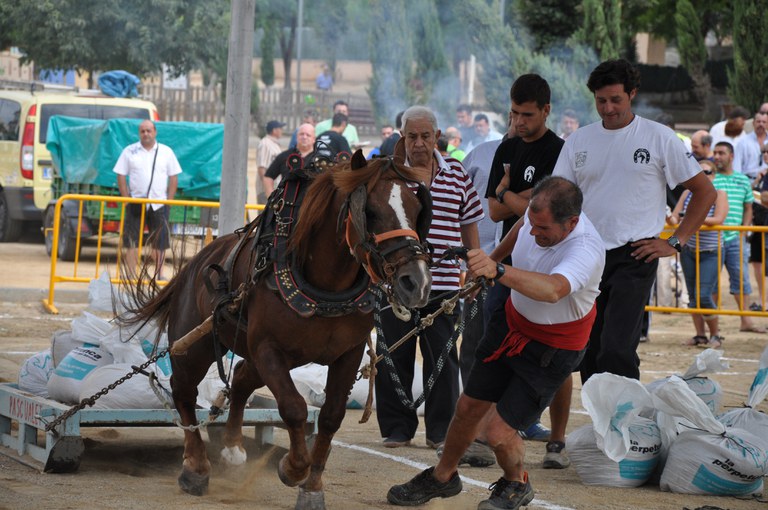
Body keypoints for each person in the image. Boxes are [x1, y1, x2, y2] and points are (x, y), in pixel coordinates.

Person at [386, 176, 605, 510]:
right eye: (533, 223)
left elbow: (553, 290)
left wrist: (497, 270)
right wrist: (488, 263)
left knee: (497, 433)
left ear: (572, 223)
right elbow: (519, 227)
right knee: (467, 408)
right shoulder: (536, 218)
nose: (534, 233)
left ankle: (517, 483)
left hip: (551, 350)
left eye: (543, 229)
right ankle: (443, 477)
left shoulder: (586, 248)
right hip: (510, 327)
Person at [552, 58, 716, 383]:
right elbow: (558, 196)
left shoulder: (659, 137)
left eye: (616, 99)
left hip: (636, 254)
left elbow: (705, 192)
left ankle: (626, 413)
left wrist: (675, 241)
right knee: (590, 347)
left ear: (632, 94)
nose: (608, 108)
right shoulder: (579, 140)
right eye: (601, 100)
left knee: (617, 348)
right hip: (586, 255)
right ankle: (601, 413)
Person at [375, 105, 483, 450]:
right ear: (402, 137)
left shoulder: (457, 173)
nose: (419, 143)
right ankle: (397, 429)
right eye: (412, 136)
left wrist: (474, 267)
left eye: (425, 136)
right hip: (397, 284)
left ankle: (440, 431)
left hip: (445, 283)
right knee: (394, 355)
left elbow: (469, 222)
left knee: (442, 359)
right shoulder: (390, 175)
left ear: (437, 137)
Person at [486, 73, 571, 463]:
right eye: (514, 113)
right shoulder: (506, 147)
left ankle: (557, 439)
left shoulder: (560, 151)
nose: (519, 122)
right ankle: (495, 428)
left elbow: (543, 213)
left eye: (527, 114)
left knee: (556, 352)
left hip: (552, 264)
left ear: (546, 110)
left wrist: (507, 191)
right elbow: (494, 211)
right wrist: (521, 198)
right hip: (508, 263)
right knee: (495, 346)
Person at [670, 159, 728, 347]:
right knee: (694, 297)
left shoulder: (719, 194)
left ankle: (715, 335)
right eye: (700, 172)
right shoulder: (687, 193)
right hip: (688, 250)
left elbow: (719, 219)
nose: (704, 176)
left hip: (711, 251)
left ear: (714, 175)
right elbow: (674, 217)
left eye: (707, 172)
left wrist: (690, 218)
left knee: (703, 295)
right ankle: (700, 335)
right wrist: (669, 217)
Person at [114, 119, 182, 280]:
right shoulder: (130, 151)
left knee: (160, 242)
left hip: (159, 203)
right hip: (136, 202)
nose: (146, 134)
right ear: (139, 133)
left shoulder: (166, 152)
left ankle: (159, 275)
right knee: (132, 241)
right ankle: (131, 276)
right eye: (143, 131)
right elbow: (120, 174)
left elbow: (173, 177)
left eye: (149, 130)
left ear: (155, 132)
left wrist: (169, 202)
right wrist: (126, 199)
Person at [712, 141, 766, 334]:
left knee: (741, 280)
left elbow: (748, 207)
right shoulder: (710, 179)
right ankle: (713, 324)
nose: (717, 156)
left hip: (736, 237)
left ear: (731, 156)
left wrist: (743, 230)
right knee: (711, 281)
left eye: (721, 153)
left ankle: (746, 321)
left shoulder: (742, 180)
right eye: (715, 153)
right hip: (713, 237)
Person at [734, 112, 768, 310]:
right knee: (756, 257)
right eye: (758, 121)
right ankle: (763, 300)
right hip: (751, 196)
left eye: (764, 122)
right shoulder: (743, 143)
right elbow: (737, 171)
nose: (761, 124)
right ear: (753, 123)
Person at [264, 123, 316, 189]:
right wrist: (271, 195)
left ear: (314, 139)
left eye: (308, 135)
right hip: (287, 195)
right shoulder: (285, 156)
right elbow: (268, 177)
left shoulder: (319, 158)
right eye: (301, 134)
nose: (304, 137)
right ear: (297, 137)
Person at [257, 120, 285, 200]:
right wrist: (268, 190)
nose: (282, 131)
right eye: (280, 128)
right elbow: (261, 168)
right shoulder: (265, 144)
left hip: (274, 189)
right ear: (274, 130)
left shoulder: (272, 144)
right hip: (267, 191)